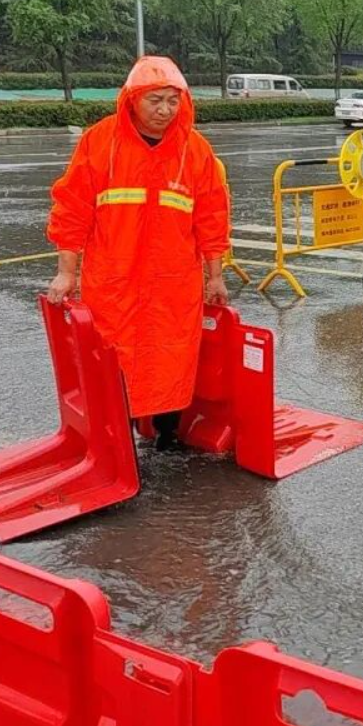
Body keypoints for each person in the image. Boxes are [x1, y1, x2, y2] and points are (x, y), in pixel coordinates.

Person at [44, 56, 231, 450]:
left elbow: (212, 217)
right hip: (115, 280)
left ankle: (167, 431)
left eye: (173, 101)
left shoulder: (194, 151)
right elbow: (72, 209)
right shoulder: (100, 142)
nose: (165, 110)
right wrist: (66, 272)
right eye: (155, 100)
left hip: (173, 282)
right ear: (132, 99)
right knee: (115, 356)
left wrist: (215, 277)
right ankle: (118, 437)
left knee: (171, 357)